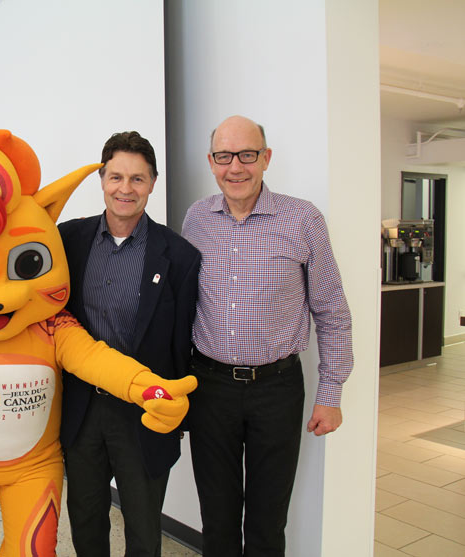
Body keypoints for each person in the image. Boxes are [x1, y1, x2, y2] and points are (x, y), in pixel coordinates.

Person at [181, 115, 353, 557]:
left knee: (267, 519)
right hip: (210, 389)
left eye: (247, 155)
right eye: (224, 156)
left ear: (266, 158)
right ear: (211, 161)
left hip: (276, 390)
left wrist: (330, 392)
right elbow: (183, 306)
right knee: (216, 519)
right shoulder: (197, 218)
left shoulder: (302, 219)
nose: (235, 167)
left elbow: (332, 310)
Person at [59, 131, 201, 556]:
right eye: (116, 177)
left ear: (153, 183)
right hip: (83, 409)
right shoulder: (69, 240)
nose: (126, 189)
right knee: (85, 516)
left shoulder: (179, 255)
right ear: (102, 179)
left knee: (142, 525)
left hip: (142, 411)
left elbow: (182, 342)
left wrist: (177, 418)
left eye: (137, 179)